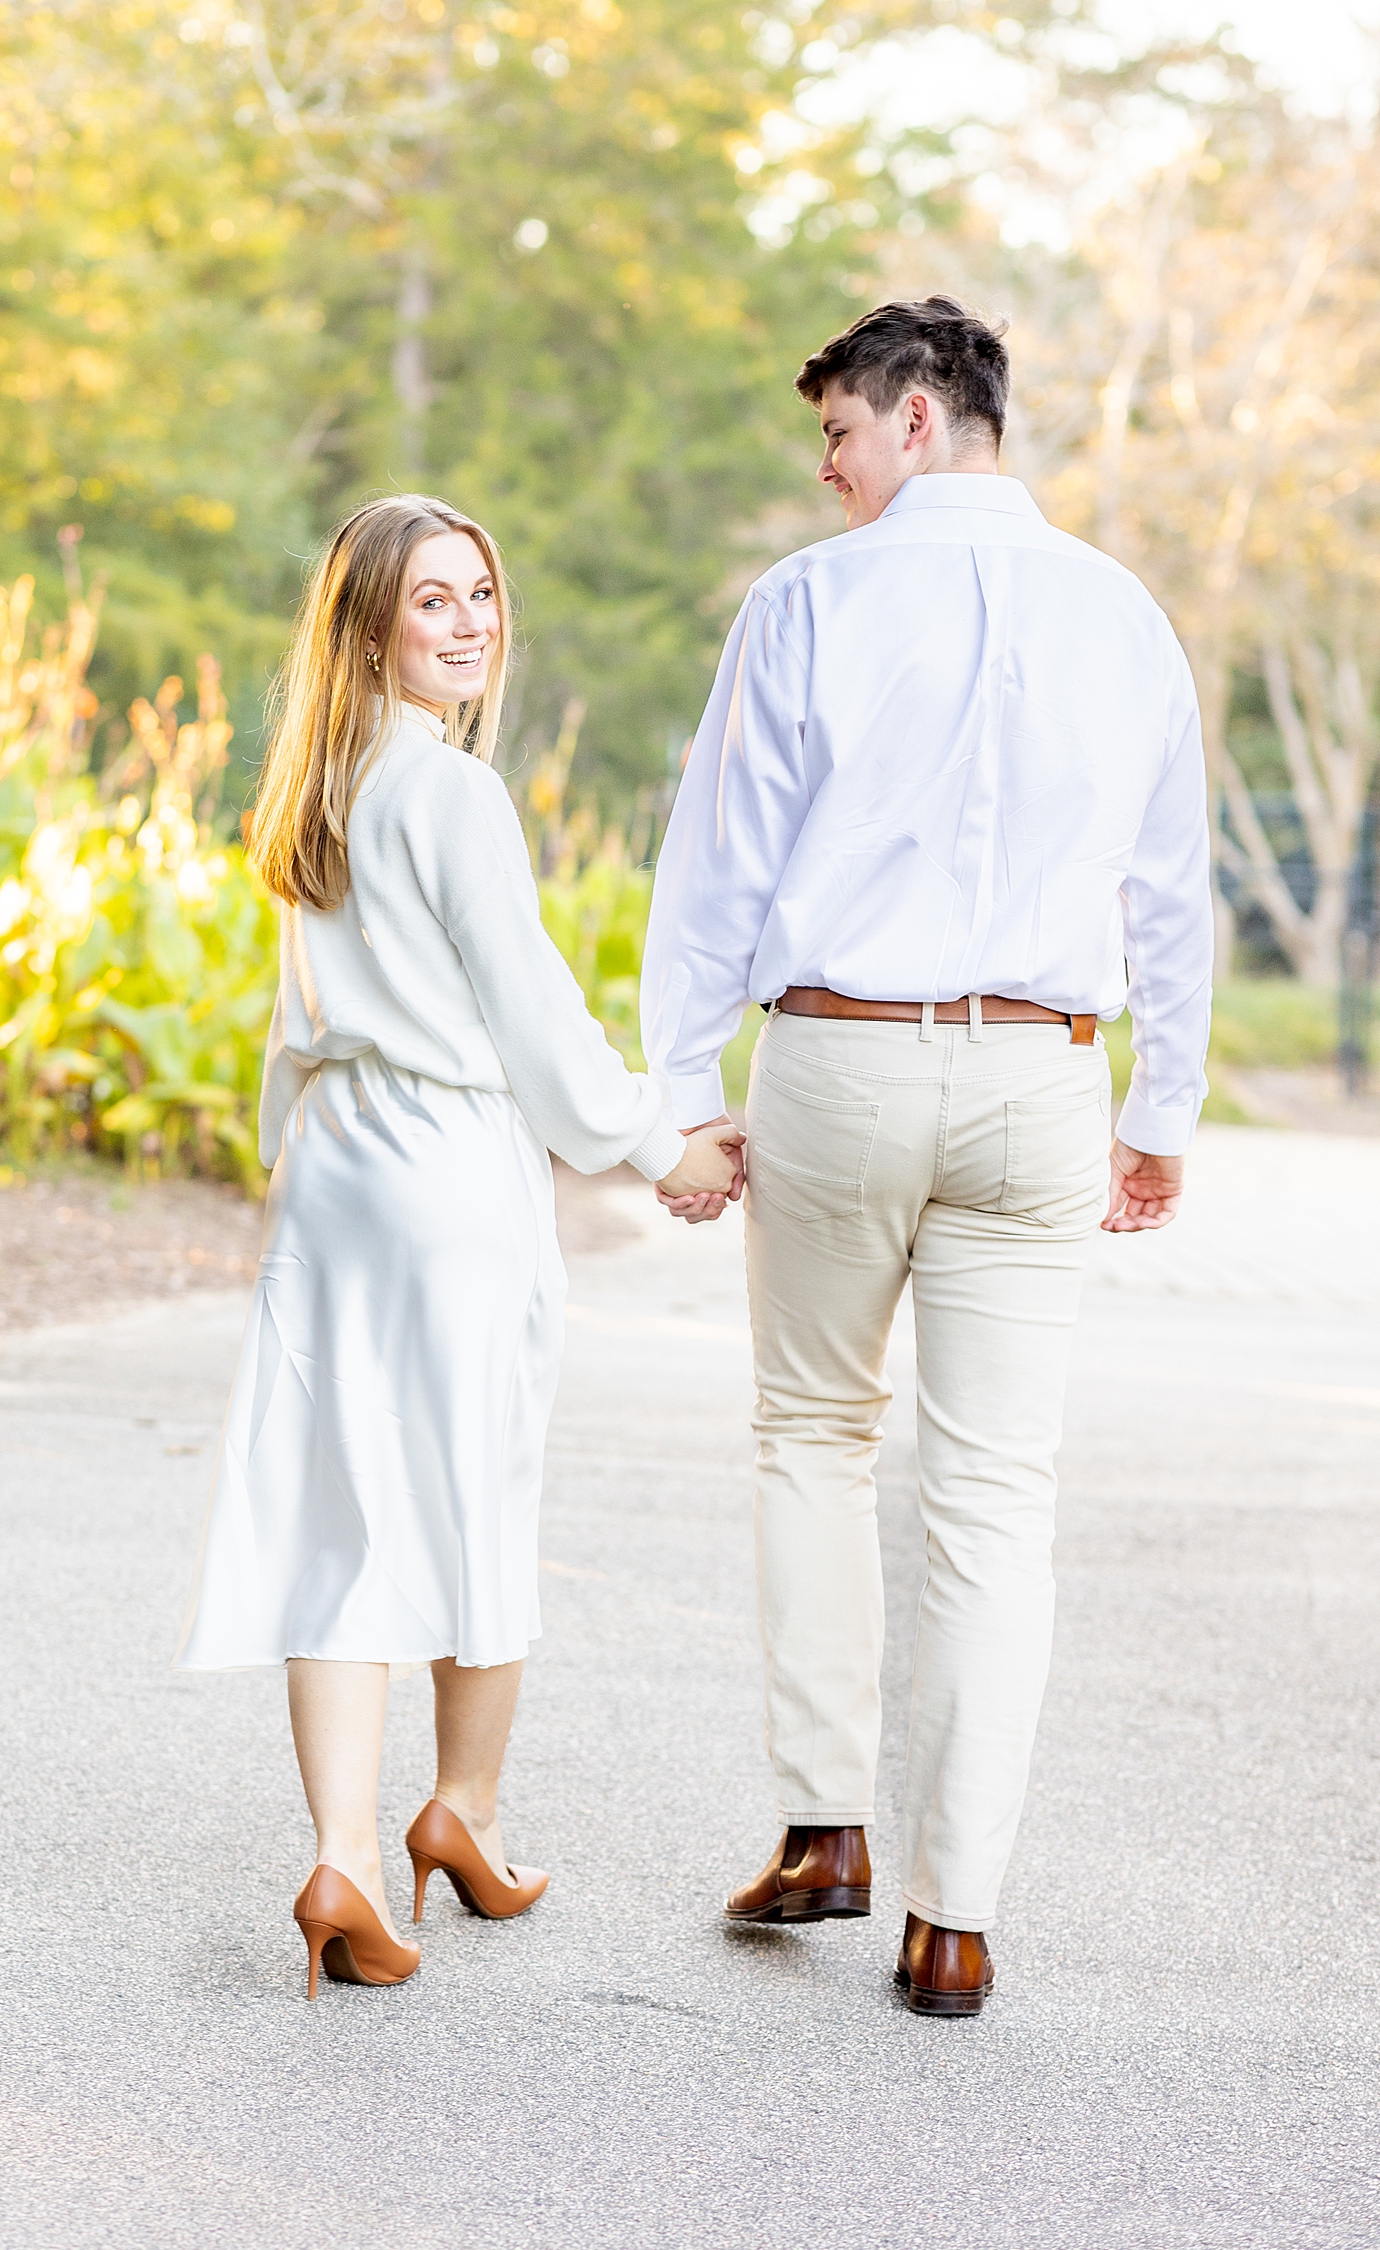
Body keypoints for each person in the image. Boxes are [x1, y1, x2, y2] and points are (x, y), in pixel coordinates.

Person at [641, 296, 1213, 2015]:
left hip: (840, 1058)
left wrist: (678, 1078)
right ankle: (954, 1917)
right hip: (1044, 1078)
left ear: (912, 414)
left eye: (835, 436)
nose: (827, 473)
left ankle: (826, 1829)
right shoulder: (1125, 616)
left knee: (813, 1430)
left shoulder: (812, 600)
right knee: (994, 1497)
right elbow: (1172, 884)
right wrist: (1160, 1107)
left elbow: (720, 856)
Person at [176, 494, 740, 1998]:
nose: (471, 621)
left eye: (482, 591)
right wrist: (663, 1144)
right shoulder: (452, 793)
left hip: (335, 1174)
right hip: (442, 1172)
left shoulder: (317, 788)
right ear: (369, 626)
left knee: (338, 1509)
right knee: (476, 1487)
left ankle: (349, 1858)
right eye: (433, 600)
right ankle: (465, 1808)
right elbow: (535, 1019)